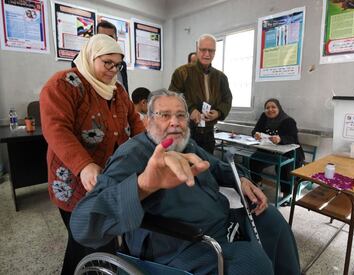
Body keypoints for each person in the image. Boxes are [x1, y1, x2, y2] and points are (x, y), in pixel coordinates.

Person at [70, 90, 300, 275]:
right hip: (180, 243)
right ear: (149, 120)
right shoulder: (131, 155)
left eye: (181, 115)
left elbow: (218, 166)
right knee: (252, 264)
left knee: (271, 218)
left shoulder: (186, 145)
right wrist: (144, 185)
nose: (175, 122)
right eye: (165, 115)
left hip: (221, 223)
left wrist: (242, 178)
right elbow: (83, 226)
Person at [40, 34, 145, 275]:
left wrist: (152, 148)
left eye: (117, 64)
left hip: (107, 179)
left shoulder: (117, 90)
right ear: (90, 57)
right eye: (107, 62)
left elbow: (135, 123)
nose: (113, 69)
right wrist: (84, 165)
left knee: (93, 240)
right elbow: (56, 129)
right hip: (74, 179)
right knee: (88, 239)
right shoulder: (64, 84)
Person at [169, 34, 232, 154]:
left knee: (206, 165)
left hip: (208, 132)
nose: (207, 54)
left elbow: (227, 99)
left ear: (215, 52)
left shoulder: (221, 77)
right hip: (185, 131)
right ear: (197, 50)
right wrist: (190, 109)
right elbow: (174, 96)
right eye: (203, 50)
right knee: (186, 167)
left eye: (211, 51)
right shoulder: (182, 73)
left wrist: (218, 112)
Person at [250, 98, 305, 195]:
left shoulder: (288, 121)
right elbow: (255, 130)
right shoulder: (264, 117)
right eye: (267, 108)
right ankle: (257, 183)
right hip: (270, 149)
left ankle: (286, 194)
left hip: (290, 152)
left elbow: (293, 138)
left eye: (273, 107)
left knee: (284, 167)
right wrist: (256, 134)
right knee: (254, 159)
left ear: (279, 108)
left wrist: (280, 139)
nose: (270, 110)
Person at [71, 20, 129, 94]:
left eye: (110, 37)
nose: (106, 40)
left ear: (116, 39)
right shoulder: (81, 59)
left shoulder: (121, 64)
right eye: (102, 37)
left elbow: (124, 86)